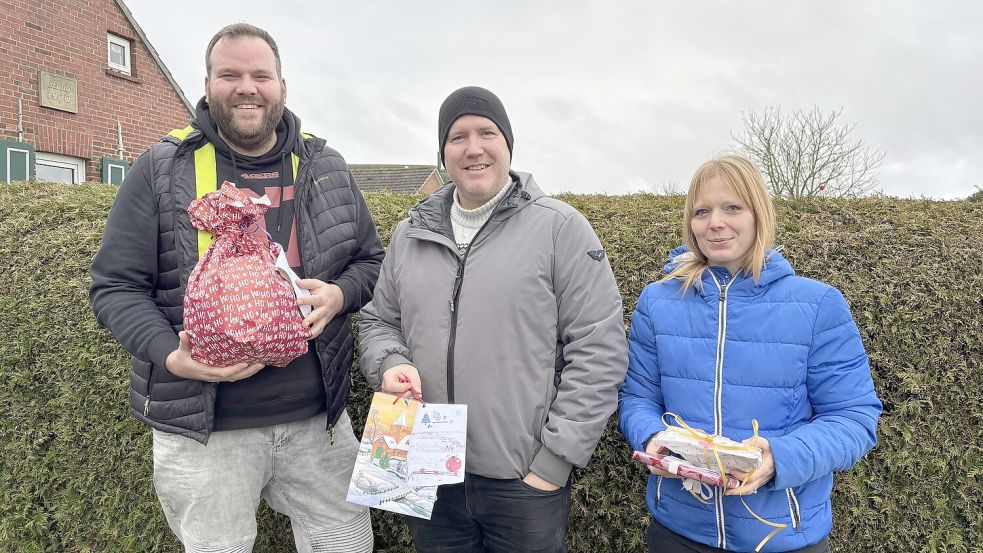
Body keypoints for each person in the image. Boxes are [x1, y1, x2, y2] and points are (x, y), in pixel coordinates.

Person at [89, 23, 382, 553]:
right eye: (230, 75)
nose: (246, 87)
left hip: (321, 426)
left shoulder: (326, 166)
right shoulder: (162, 168)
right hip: (205, 435)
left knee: (347, 544)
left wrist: (339, 295)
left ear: (282, 87)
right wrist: (169, 356)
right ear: (207, 85)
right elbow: (114, 286)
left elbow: (370, 262)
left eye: (260, 75)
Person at [358, 86, 628, 552]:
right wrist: (388, 364)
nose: (473, 147)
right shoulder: (409, 233)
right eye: (458, 136)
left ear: (508, 144)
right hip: (424, 465)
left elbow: (599, 349)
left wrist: (553, 462)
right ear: (443, 154)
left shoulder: (560, 228)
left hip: (522, 480)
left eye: (487, 132)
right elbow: (378, 321)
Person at [618, 154, 882, 553]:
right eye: (702, 211)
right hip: (678, 531)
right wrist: (655, 436)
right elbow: (637, 398)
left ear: (758, 214)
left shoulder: (818, 305)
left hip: (782, 536)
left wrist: (780, 457)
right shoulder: (657, 302)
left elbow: (854, 417)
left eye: (732, 208)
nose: (715, 222)